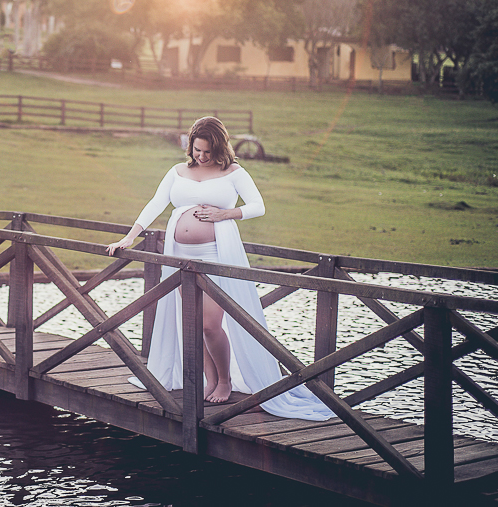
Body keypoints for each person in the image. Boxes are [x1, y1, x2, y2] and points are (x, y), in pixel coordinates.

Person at [107, 117, 333, 420]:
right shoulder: (177, 172)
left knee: (211, 325)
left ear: (219, 147)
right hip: (180, 259)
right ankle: (210, 380)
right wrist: (129, 237)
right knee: (194, 324)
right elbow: (155, 204)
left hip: (215, 256)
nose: (201, 156)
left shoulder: (234, 173)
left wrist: (225, 213)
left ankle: (225, 380)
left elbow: (258, 205)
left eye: (207, 152)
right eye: (197, 150)